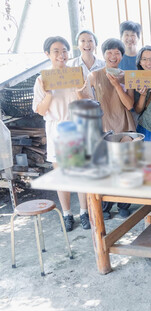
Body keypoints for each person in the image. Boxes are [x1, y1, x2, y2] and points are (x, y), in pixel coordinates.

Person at [32, 36, 90, 231]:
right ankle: (67, 214)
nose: (61, 55)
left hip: (76, 126)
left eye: (64, 50)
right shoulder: (42, 79)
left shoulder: (77, 74)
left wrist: (80, 90)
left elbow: (87, 102)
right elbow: (40, 110)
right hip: (56, 129)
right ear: (47, 54)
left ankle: (84, 212)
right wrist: (48, 93)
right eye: (56, 51)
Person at [80, 38, 136, 219]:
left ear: (122, 55)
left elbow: (129, 104)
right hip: (104, 125)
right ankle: (105, 207)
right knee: (105, 168)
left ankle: (123, 204)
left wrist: (116, 86)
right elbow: (85, 96)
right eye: (109, 53)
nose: (113, 56)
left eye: (117, 53)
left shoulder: (128, 76)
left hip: (125, 124)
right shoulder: (94, 75)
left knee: (124, 167)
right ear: (103, 55)